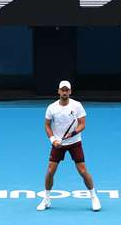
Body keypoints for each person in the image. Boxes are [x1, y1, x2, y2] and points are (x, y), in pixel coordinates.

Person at [38, 80, 100, 212]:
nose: (65, 92)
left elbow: (82, 124)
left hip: (74, 143)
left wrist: (73, 133)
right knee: (50, 171)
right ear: (59, 91)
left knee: (82, 171)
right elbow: (47, 125)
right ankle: (47, 199)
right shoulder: (51, 108)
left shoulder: (77, 106)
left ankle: (94, 197)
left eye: (67, 90)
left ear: (70, 92)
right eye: (62, 90)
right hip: (58, 144)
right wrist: (53, 140)